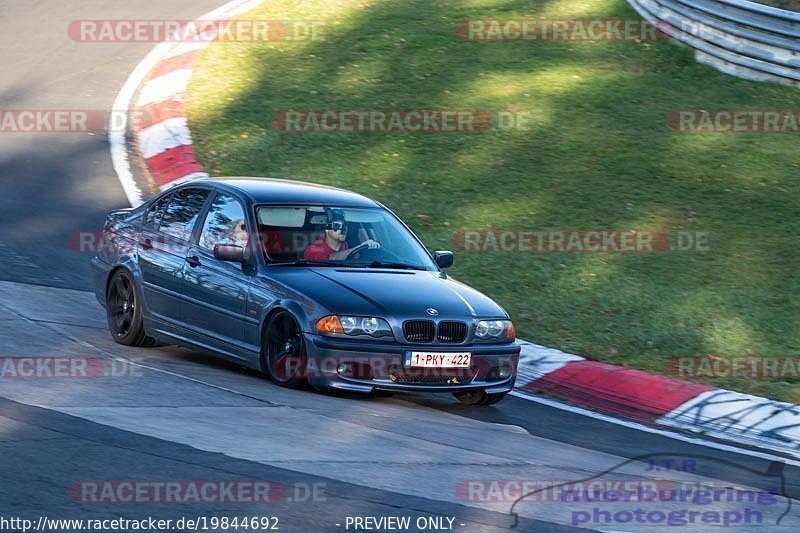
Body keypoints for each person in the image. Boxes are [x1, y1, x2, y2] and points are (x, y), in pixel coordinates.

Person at [304, 208, 379, 261]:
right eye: (338, 225)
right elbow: (332, 258)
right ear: (327, 229)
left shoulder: (346, 246)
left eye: (345, 226)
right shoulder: (313, 249)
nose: (343, 229)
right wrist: (357, 247)